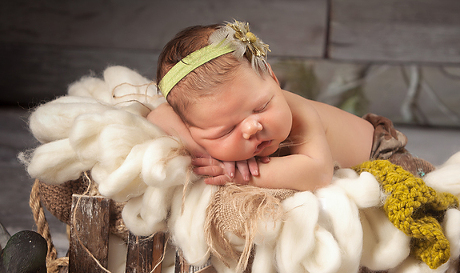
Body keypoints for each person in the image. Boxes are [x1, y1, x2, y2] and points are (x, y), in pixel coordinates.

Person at [147, 20, 432, 191]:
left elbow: (318, 173)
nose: (252, 128)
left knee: (432, 187)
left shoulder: (298, 113)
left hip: (380, 152)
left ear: (272, 79)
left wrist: (238, 176)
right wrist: (212, 157)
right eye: (225, 131)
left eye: (260, 108)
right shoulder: (200, 120)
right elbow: (159, 116)